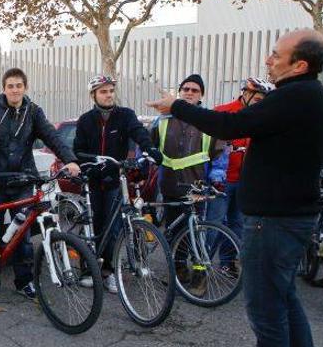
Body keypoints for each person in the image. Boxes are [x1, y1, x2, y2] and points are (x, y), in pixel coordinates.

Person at [149, 29, 323, 347]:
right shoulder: (303, 96)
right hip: (285, 218)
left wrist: (176, 106)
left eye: (275, 55)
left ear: (299, 64)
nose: (268, 60)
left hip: (275, 220)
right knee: (285, 299)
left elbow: (230, 126)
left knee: (266, 306)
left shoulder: (296, 97)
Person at [0, 68, 80, 301]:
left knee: (22, 235)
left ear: (25, 87)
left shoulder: (33, 112)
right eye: (10, 86)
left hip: (24, 179)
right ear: (4, 89)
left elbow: (52, 138)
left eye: (18, 85)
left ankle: (23, 282)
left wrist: (71, 161)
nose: (14, 90)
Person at [73, 75, 163, 293]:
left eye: (111, 90)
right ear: (93, 95)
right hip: (93, 180)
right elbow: (77, 149)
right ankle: (89, 270)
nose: (108, 95)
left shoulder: (125, 115)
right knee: (93, 225)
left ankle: (111, 271)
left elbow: (138, 132)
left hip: (115, 179)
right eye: (103, 91)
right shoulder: (85, 120)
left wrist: (149, 148)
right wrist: (85, 160)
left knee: (114, 229)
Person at [204, 77, 274, 271]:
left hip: (246, 182)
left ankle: (227, 264)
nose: (261, 104)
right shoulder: (223, 112)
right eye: (259, 100)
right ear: (246, 93)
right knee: (214, 225)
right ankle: (202, 267)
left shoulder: (261, 118)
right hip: (220, 180)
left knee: (238, 225)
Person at [152, 74, 225, 230]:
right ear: (180, 92)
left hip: (197, 186)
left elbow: (220, 153)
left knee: (194, 232)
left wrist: (217, 175)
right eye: (186, 89)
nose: (189, 92)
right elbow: (148, 146)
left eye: (195, 90)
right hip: (169, 185)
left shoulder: (208, 120)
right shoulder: (162, 120)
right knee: (171, 230)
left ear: (201, 95)